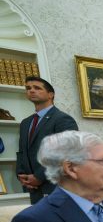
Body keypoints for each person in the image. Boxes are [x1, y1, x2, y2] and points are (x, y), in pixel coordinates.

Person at [16, 76, 79, 204]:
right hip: (33, 189)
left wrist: (39, 177)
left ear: (50, 94)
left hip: (57, 187)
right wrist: (22, 175)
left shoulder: (62, 119)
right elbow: (22, 152)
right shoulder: (25, 123)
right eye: (28, 88)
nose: (31, 91)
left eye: (37, 88)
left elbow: (66, 153)